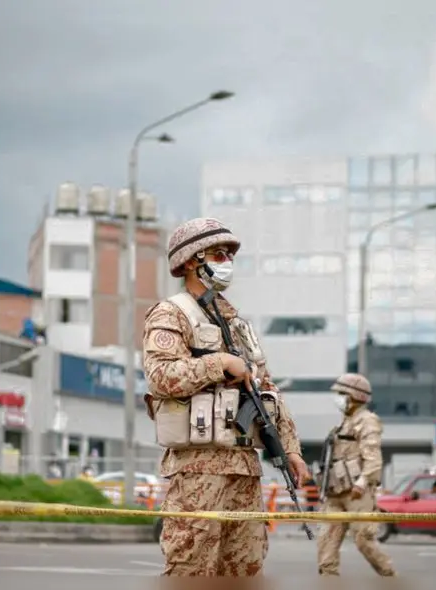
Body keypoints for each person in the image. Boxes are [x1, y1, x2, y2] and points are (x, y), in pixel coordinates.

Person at [142, 217, 311, 577]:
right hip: (197, 470)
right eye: (218, 254)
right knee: (191, 569)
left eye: (228, 255)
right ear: (191, 261)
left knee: (244, 570)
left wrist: (291, 449)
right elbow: (161, 377)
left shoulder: (236, 323)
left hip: (244, 470)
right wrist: (220, 363)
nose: (226, 263)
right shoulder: (172, 314)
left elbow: (267, 391)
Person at [316, 373, 395, 577]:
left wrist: (362, 482)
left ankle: (388, 575)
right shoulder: (344, 422)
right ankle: (328, 580)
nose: (338, 398)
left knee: (364, 540)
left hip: (357, 493)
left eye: (341, 393)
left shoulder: (367, 421)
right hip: (336, 492)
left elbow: (373, 457)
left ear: (355, 396)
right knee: (326, 541)